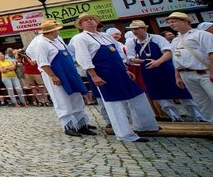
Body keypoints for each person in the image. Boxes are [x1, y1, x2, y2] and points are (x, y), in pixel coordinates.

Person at [71, 13, 159, 143]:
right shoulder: (81, 38)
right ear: (81, 24)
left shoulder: (105, 36)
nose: (89, 21)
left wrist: (125, 69)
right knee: (114, 104)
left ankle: (146, 126)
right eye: (85, 20)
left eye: (91, 19)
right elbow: (83, 58)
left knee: (138, 96)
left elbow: (117, 53)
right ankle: (125, 134)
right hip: (104, 74)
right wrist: (94, 76)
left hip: (120, 71)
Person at [25, 20, 94, 137]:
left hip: (68, 72)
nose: (58, 31)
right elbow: (42, 63)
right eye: (57, 29)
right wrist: (52, 76)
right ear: (51, 31)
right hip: (55, 73)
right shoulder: (41, 43)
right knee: (61, 99)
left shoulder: (58, 40)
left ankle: (81, 124)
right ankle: (68, 126)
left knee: (76, 96)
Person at [125, 19, 202, 121]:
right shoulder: (132, 42)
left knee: (182, 93)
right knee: (159, 95)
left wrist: (158, 61)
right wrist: (134, 60)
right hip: (148, 70)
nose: (134, 31)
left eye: (137, 29)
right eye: (132, 29)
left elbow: (169, 52)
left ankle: (199, 117)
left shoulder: (156, 38)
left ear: (144, 29)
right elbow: (129, 57)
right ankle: (174, 117)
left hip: (165, 68)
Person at [166, 11, 213, 123]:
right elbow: (176, 60)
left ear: (185, 21)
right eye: (170, 23)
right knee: (202, 103)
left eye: (174, 21)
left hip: (204, 72)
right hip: (186, 74)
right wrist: (178, 76)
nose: (171, 24)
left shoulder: (202, 34)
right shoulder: (175, 40)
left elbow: (211, 53)